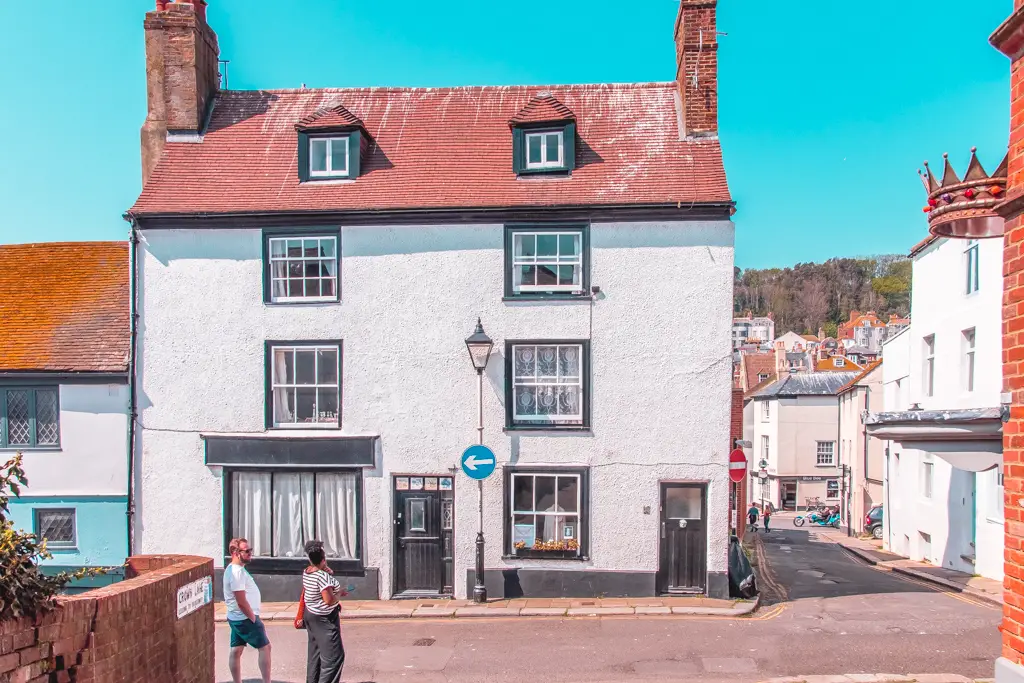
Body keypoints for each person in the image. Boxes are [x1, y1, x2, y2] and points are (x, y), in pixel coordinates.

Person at [224, 537, 271, 683]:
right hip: (244, 618)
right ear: (235, 552)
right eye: (247, 551)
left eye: (250, 550)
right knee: (265, 648)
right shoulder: (236, 573)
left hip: (237, 617)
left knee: (236, 650)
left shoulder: (235, 569)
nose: (250, 553)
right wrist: (253, 618)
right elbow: (241, 601)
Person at [303, 540, 349, 683]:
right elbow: (328, 600)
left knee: (315, 656)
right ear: (323, 559)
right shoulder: (322, 577)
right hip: (324, 619)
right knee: (334, 658)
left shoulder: (307, 572)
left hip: (310, 615)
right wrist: (340, 594)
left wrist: (324, 568)